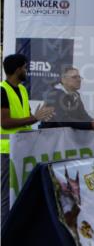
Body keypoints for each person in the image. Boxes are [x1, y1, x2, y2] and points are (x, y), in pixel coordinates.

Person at [2, 54, 55, 217]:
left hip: (22, 150)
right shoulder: (2, 90)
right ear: (18, 70)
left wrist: (38, 117)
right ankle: (3, 237)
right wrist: (34, 117)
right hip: (5, 152)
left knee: (19, 194)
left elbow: (26, 116)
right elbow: (4, 122)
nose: (26, 71)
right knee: (5, 196)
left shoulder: (23, 90)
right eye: (25, 68)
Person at [41, 66, 94, 131]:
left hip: (63, 137)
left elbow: (83, 116)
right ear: (63, 80)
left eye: (79, 77)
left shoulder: (76, 94)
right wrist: (90, 125)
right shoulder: (55, 94)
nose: (79, 80)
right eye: (74, 77)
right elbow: (64, 121)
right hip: (49, 137)